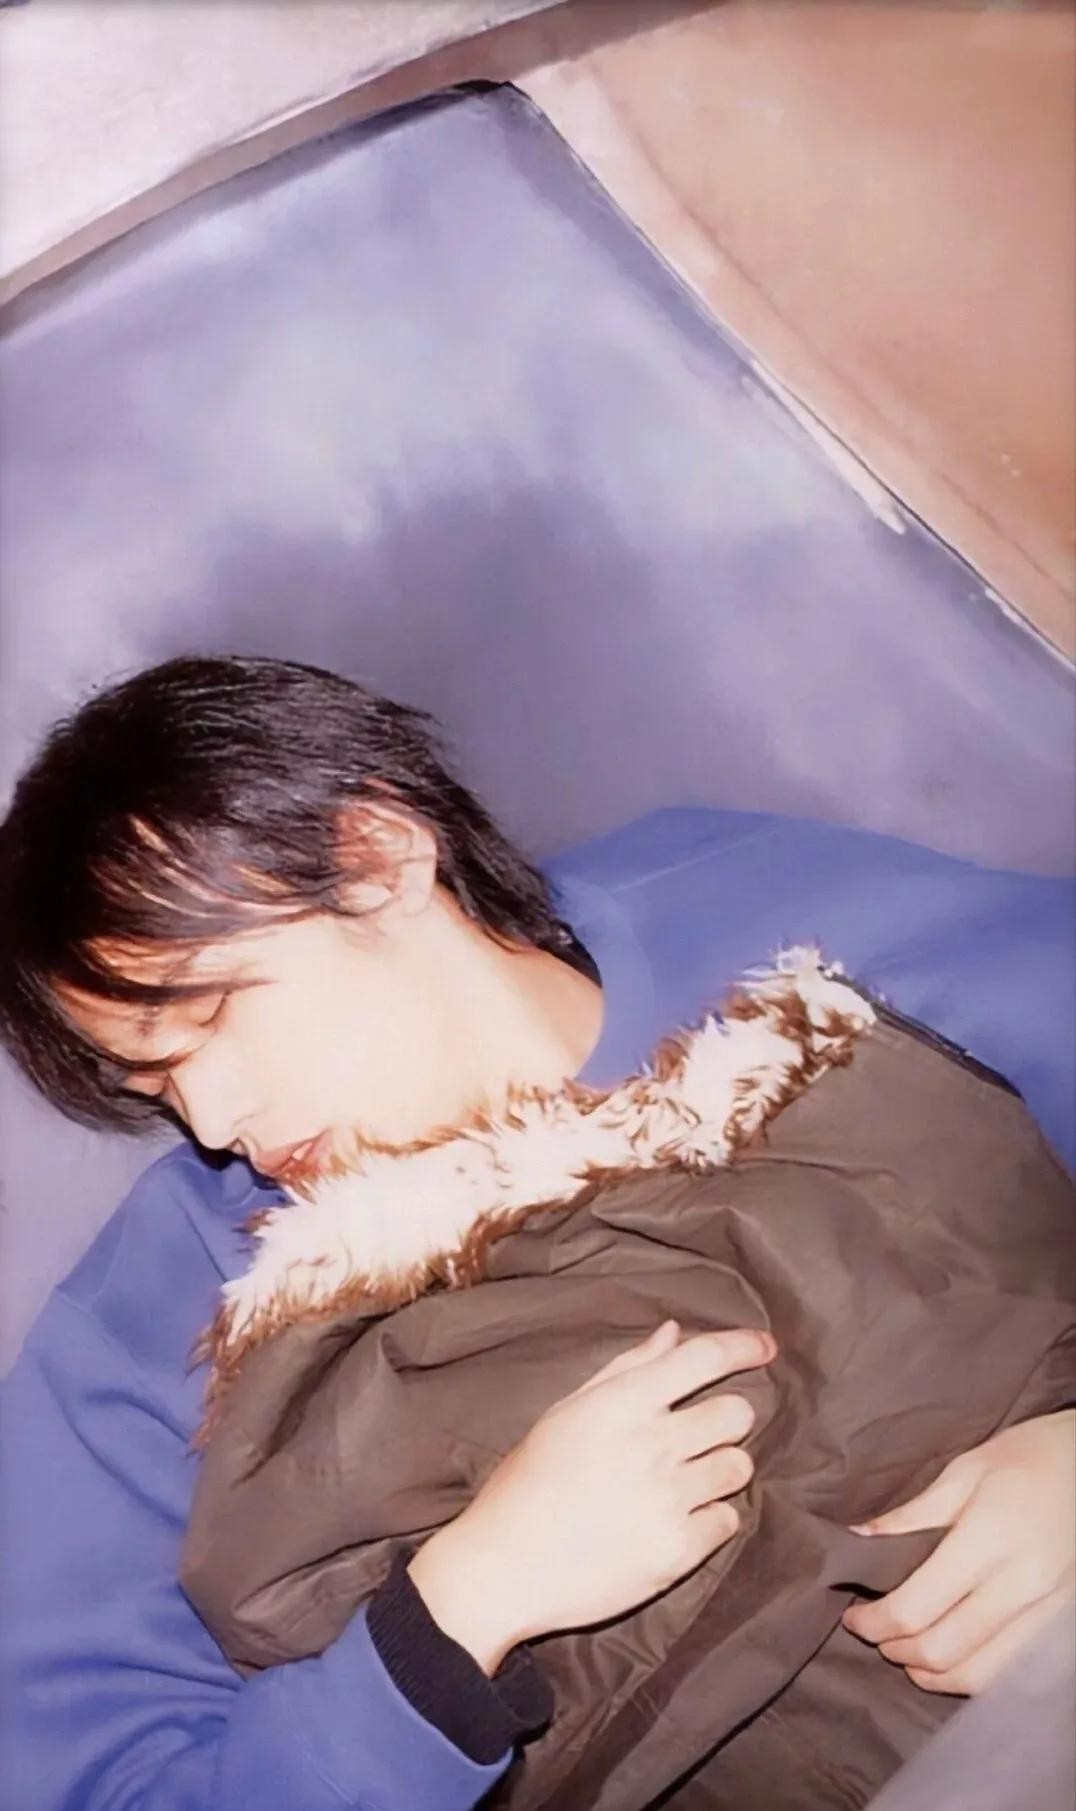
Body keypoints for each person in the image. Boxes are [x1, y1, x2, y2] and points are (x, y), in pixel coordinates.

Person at [0, 654, 1072, 1811]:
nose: (211, 1120)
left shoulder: (771, 915)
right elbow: (101, 1781)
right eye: (154, 1081)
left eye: (210, 1016)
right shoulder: (164, 1307)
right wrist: (458, 1612)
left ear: (376, 860)